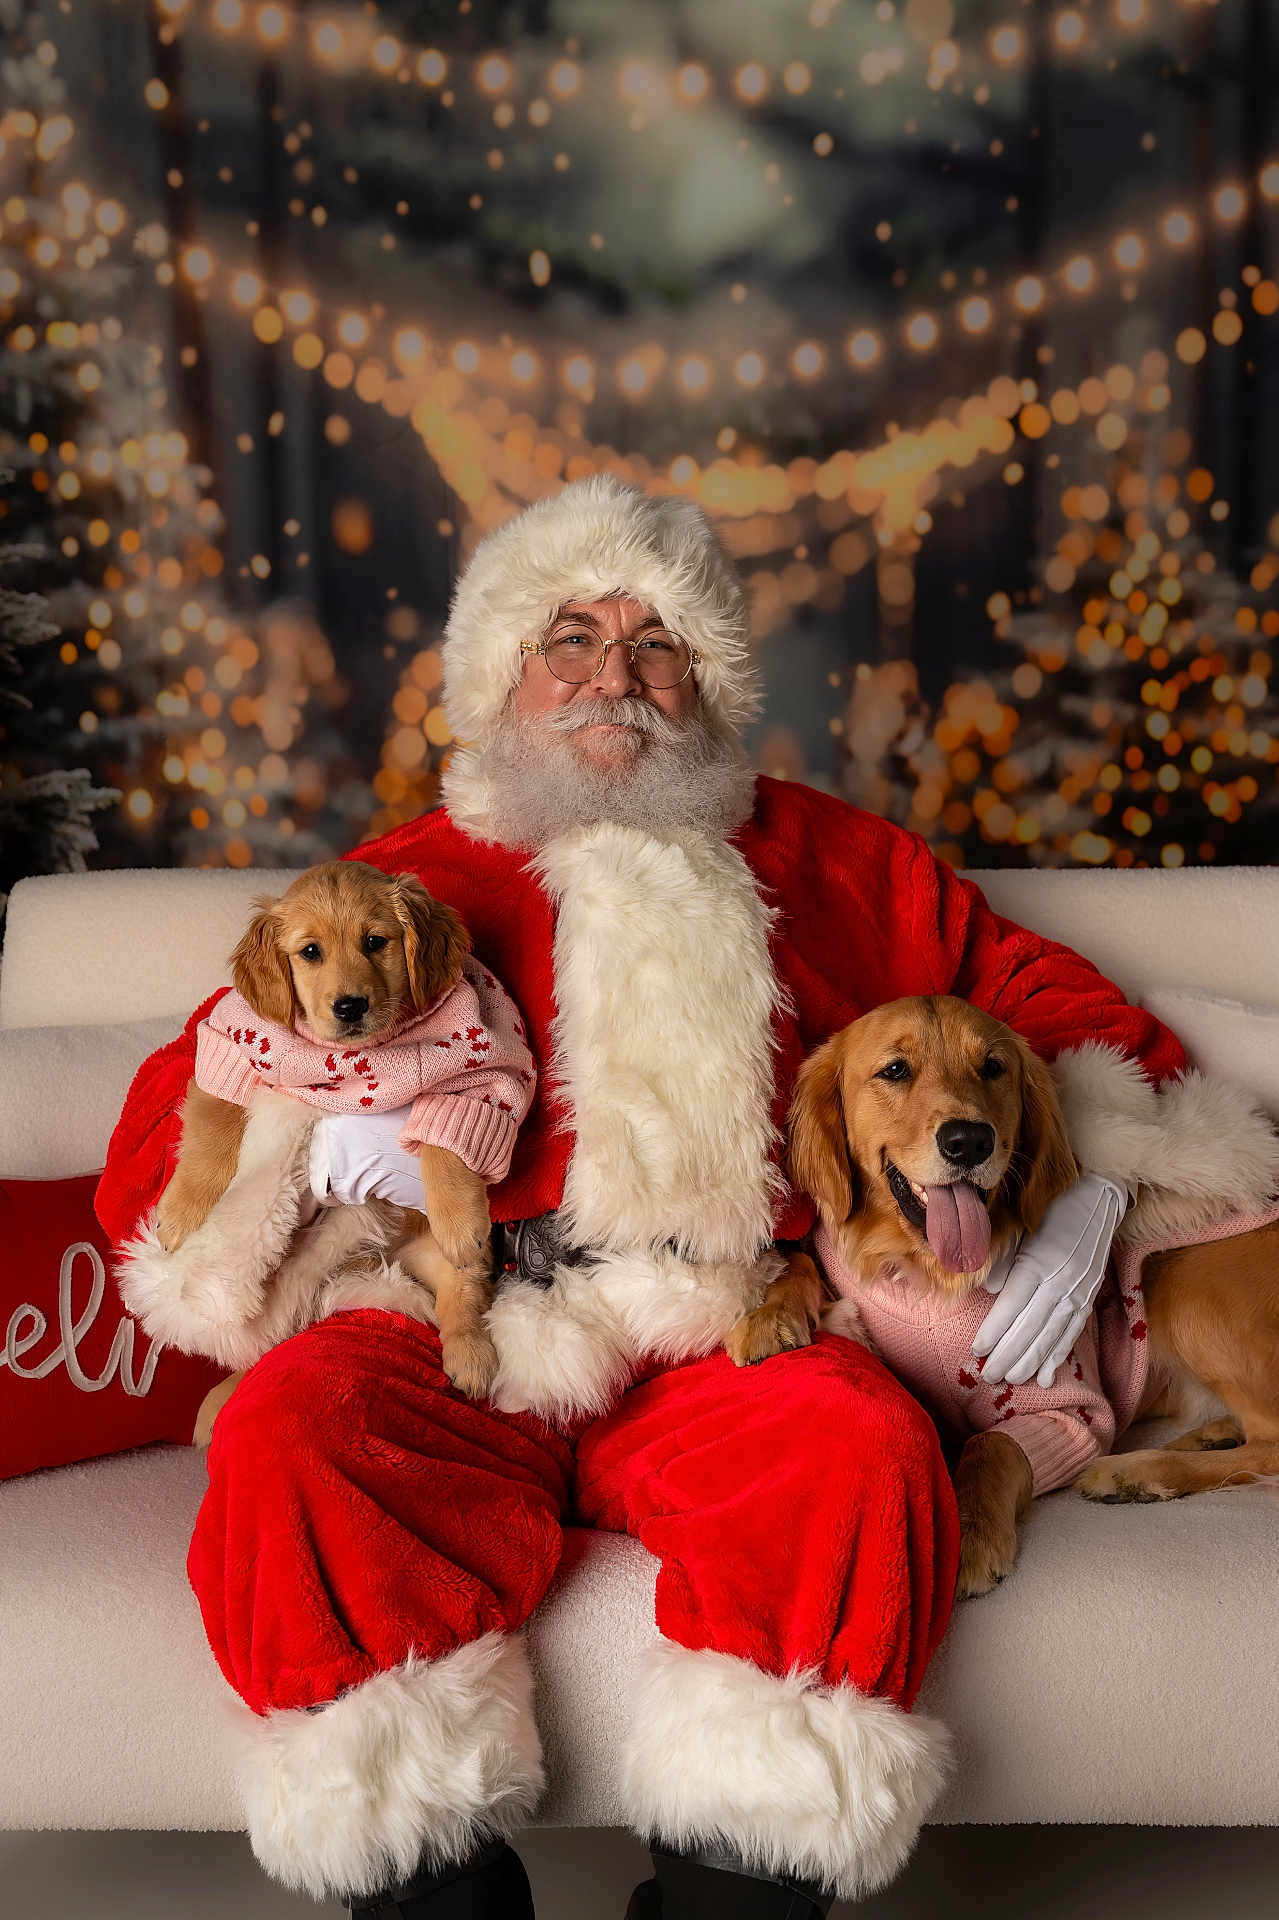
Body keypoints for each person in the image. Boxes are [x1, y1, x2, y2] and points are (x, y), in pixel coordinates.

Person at [98, 476, 1279, 1920]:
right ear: (502, 680)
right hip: (450, 1317)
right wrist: (297, 1137)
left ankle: (740, 1891)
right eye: (573, 638)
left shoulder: (838, 858)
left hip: (733, 1321)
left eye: (657, 643)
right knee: (291, 1432)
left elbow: (1058, 1009)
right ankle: (427, 1890)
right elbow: (187, 1094)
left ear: (707, 679)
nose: (617, 675)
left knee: (860, 1452)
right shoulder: (406, 880)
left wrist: (1086, 1196)